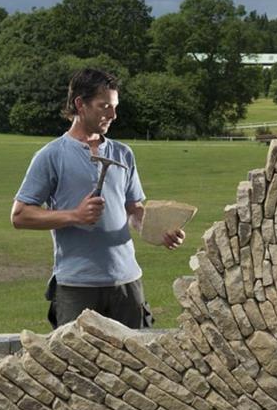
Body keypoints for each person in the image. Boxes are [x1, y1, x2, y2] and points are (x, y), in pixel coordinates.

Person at [11, 68, 185, 329]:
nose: (113, 115)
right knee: (74, 367)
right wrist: (74, 216)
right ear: (80, 104)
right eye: (104, 106)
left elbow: (133, 209)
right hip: (77, 286)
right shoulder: (51, 155)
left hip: (127, 283)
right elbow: (20, 215)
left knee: (137, 367)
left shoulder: (123, 153)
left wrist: (157, 231)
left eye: (114, 107)